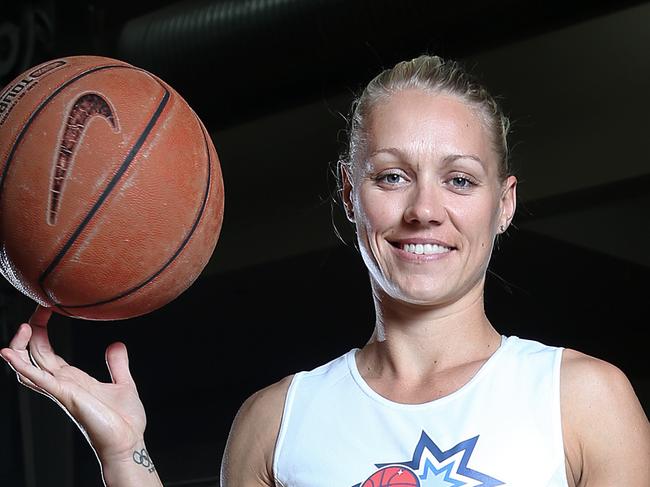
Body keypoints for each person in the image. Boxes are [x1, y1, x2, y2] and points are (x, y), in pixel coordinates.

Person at [2, 54, 649, 487]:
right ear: (348, 193)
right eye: (391, 176)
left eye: (459, 179)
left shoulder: (583, 401)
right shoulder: (275, 422)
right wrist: (123, 451)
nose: (425, 209)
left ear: (503, 203)